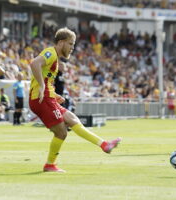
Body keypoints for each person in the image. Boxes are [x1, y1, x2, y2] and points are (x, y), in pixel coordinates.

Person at [29, 27, 121, 173]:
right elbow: (34, 64)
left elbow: (45, 78)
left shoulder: (56, 59)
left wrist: (53, 94)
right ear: (61, 42)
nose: (72, 48)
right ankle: (49, 165)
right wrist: (41, 87)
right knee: (61, 133)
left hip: (47, 97)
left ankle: (104, 145)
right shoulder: (51, 53)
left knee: (73, 119)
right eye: (70, 44)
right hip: (41, 99)